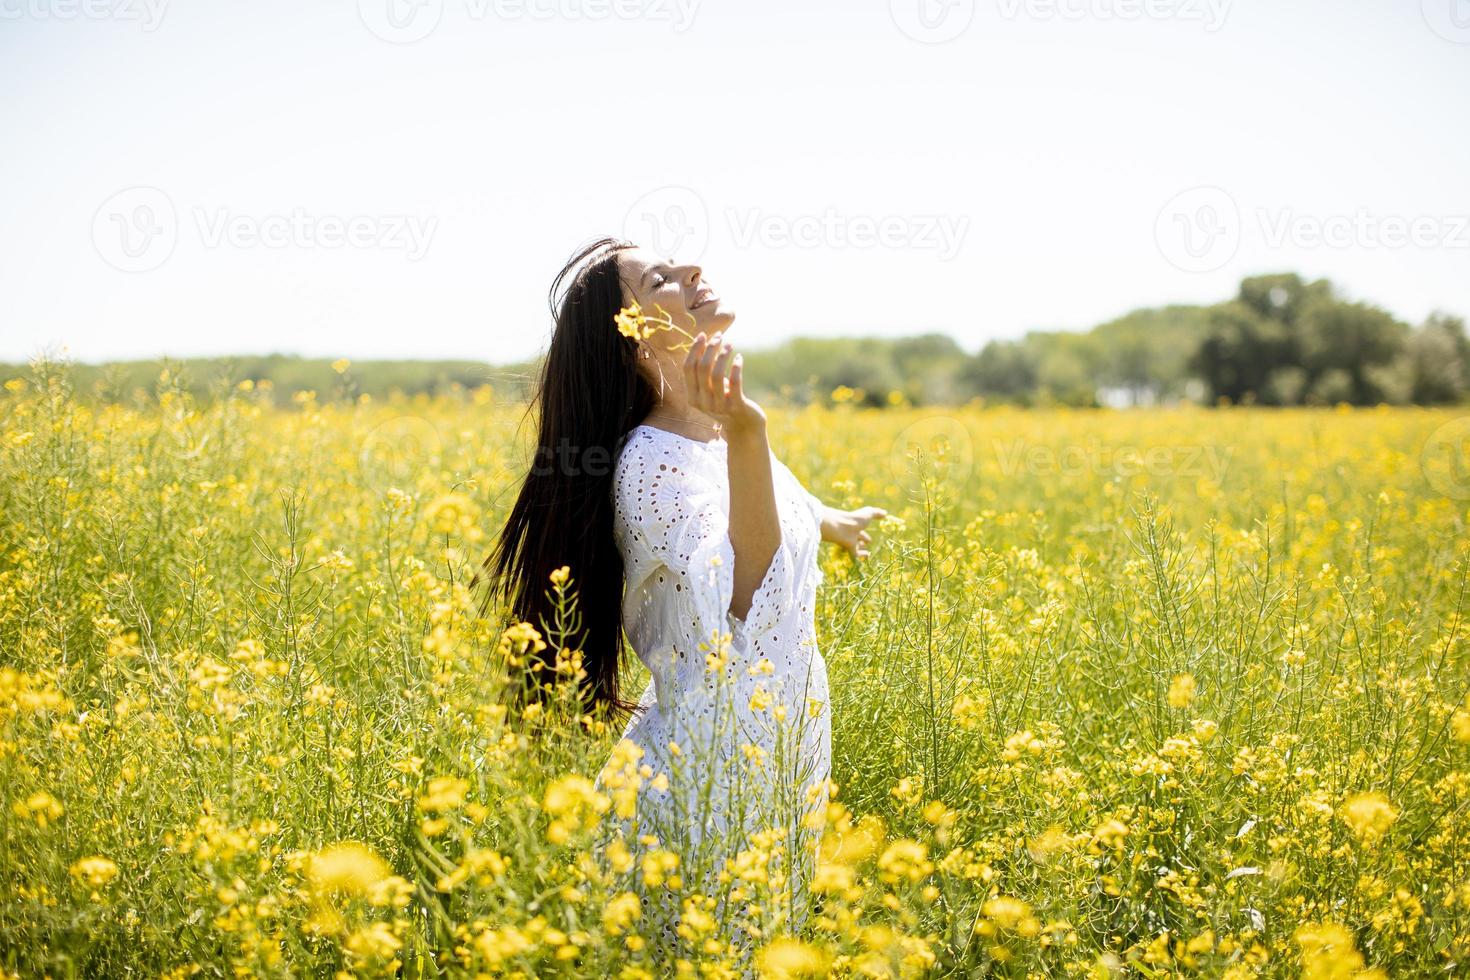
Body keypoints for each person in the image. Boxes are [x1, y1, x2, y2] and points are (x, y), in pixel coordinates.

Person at [482, 237, 886, 960]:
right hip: (705, 785)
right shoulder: (652, 465)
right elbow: (742, 595)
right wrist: (746, 428)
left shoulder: (706, 435)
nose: (695, 269)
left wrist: (829, 520)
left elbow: (768, 503)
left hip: (772, 760)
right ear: (634, 342)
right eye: (662, 279)